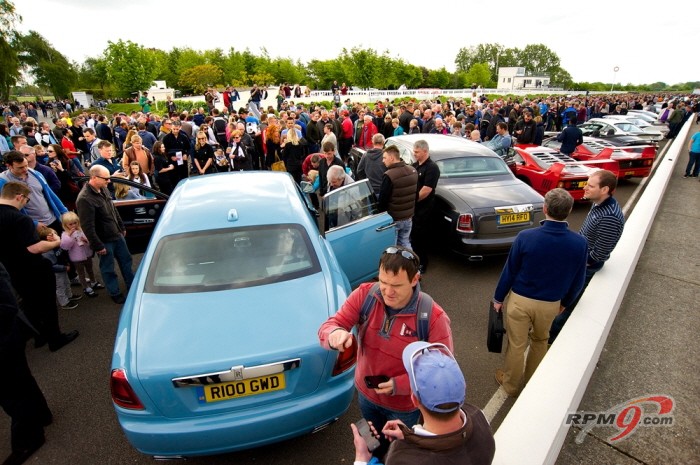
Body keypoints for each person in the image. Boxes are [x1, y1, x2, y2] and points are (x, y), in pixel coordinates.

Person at [318, 246, 453, 459]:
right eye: (383, 282)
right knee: (372, 442)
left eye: (396, 285)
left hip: (404, 407)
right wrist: (334, 334)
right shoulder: (365, 294)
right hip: (366, 394)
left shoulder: (433, 317)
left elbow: (442, 372)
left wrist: (400, 385)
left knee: (398, 452)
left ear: (415, 279)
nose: (387, 292)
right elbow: (330, 325)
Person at [492, 188, 587, 397]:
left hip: (520, 299)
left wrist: (498, 298)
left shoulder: (525, 237)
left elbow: (510, 270)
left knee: (517, 344)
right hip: (551, 302)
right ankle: (533, 384)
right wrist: (565, 303)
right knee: (540, 341)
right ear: (569, 210)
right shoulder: (579, 243)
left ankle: (510, 385)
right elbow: (578, 280)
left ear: (544, 208)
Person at [350, 342, 496, 465]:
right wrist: (411, 437)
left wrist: (362, 459)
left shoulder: (403, 459)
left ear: (414, 399)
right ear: (462, 388)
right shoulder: (480, 418)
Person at [0, 181, 79, 352]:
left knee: (29, 305)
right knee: (47, 305)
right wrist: (55, 242)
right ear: (19, 197)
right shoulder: (20, 218)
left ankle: (39, 336)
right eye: (27, 200)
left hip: (12, 271)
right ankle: (55, 338)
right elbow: (33, 248)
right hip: (34, 270)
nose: (26, 203)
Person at [549, 169, 625, 343]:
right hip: (579, 263)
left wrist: (577, 263)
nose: (585, 188)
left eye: (590, 185)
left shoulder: (610, 217)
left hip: (585, 269)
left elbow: (599, 254)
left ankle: (551, 336)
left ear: (605, 189)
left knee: (568, 304)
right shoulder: (597, 203)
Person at [0, 262, 54, 465]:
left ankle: (28, 439)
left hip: (4, 336)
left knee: (11, 390)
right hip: (7, 335)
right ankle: (41, 416)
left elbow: (6, 304)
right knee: (20, 380)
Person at [76, 165, 135, 304]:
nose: (109, 181)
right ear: (94, 177)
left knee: (126, 261)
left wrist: (121, 226)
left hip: (116, 234)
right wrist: (97, 245)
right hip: (104, 240)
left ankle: (132, 287)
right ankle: (114, 292)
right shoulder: (84, 199)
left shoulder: (103, 188)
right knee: (108, 269)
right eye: (106, 178)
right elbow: (87, 226)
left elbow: (113, 209)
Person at [0, 151, 68, 234]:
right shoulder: (3, 182)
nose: (25, 169)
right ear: (9, 166)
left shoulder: (36, 174)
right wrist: (33, 224)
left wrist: (64, 212)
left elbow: (50, 194)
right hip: (32, 227)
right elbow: (7, 210)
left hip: (52, 219)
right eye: (20, 167)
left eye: (26, 165)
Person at [377, 146, 418, 249]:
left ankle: (394, 265)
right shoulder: (413, 171)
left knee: (393, 248)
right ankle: (410, 263)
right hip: (408, 217)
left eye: (384, 158)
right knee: (405, 242)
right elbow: (416, 195)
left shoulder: (389, 175)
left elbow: (383, 201)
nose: (383, 161)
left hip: (394, 219)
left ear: (391, 158)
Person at [410, 140, 440, 274]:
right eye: (414, 151)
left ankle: (422, 262)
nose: (414, 154)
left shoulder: (432, 168)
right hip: (414, 208)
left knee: (420, 237)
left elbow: (426, 190)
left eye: (417, 152)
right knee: (414, 236)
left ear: (425, 151)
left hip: (424, 208)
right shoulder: (415, 165)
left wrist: (413, 201)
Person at [60, 211, 102, 298]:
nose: (73, 226)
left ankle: (93, 282)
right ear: (65, 225)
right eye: (70, 224)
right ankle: (86, 287)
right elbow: (64, 246)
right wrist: (70, 236)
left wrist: (86, 241)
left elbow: (89, 241)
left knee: (90, 269)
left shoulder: (81, 230)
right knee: (81, 273)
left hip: (87, 255)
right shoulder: (65, 234)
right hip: (77, 258)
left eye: (75, 223)